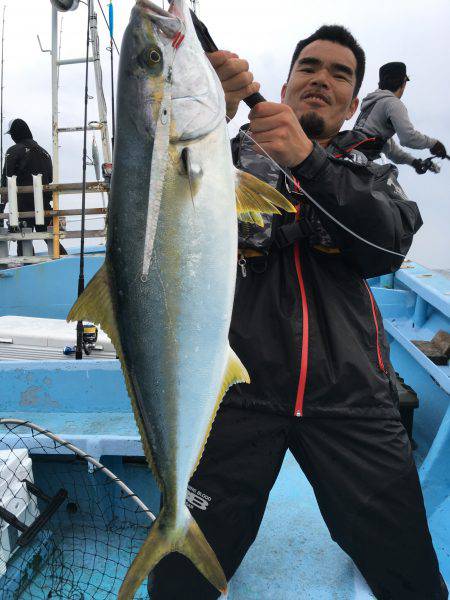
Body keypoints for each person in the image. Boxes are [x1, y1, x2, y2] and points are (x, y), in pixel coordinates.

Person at [149, 26, 448, 600]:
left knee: (411, 578)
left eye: (340, 74)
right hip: (237, 394)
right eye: (310, 67)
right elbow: (159, 220)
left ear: (355, 102)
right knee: (180, 581)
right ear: (285, 84)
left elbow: (386, 245)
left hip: (353, 400)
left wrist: (308, 162)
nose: (322, 79)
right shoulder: (220, 154)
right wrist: (210, 107)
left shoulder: (372, 174)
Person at [353, 61, 447, 173]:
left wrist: (414, 162)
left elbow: (390, 149)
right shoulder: (393, 103)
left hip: (350, 158)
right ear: (403, 83)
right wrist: (434, 143)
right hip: (357, 165)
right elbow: (408, 138)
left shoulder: (374, 104)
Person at [0, 118, 66, 255]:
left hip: (23, 205)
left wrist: (3, 200)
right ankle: (65, 261)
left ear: (15, 134)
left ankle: (26, 269)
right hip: (44, 204)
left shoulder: (13, 151)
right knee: (50, 237)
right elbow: (50, 178)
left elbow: (6, 179)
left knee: (23, 239)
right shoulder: (44, 152)